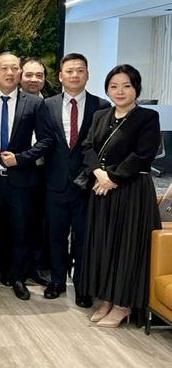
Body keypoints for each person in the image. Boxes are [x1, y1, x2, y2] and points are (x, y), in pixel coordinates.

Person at [81, 64, 161, 327]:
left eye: (126, 85)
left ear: (136, 88)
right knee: (105, 245)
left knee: (127, 247)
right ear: (107, 89)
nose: (120, 91)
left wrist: (111, 177)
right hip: (102, 190)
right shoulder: (101, 115)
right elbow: (88, 147)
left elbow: (143, 155)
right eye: (114, 86)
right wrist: (99, 174)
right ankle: (107, 298)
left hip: (132, 192)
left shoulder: (147, 117)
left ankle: (123, 304)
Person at [0, 52, 51, 301]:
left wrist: (21, 158)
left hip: (22, 179)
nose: (10, 73)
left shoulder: (34, 104)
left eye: (14, 68)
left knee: (22, 231)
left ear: (19, 73)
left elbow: (46, 141)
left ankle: (18, 278)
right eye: (4, 68)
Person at [43, 54, 110, 307]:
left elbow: (103, 147)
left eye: (79, 70)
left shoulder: (101, 106)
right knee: (56, 235)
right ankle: (57, 281)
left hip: (87, 184)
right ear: (60, 76)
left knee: (83, 237)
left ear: (87, 75)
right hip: (55, 182)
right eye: (69, 71)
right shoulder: (47, 105)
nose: (74, 75)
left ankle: (83, 286)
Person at [18, 57, 51, 287]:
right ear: (20, 77)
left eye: (39, 75)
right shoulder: (8, 103)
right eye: (29, 75)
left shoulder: (50, 106)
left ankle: (35, 268)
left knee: (39, 223)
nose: (33, 80)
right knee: (15, 224)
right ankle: (13, 268)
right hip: (16, 172)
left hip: (43, 173)